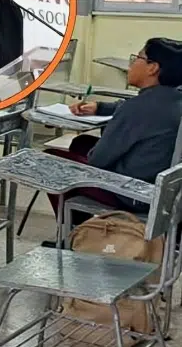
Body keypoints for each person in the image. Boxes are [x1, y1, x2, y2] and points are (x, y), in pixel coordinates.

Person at [48, 38, 182, 217]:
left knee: (52, 161)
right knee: (81, 142)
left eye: (137, 58)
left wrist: (107, 142)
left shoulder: (137, 108)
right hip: (163, 186)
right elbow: (126, 107)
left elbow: (98, 161)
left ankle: (76, 232)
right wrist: (100, 107)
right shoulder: (173, 98)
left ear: (153, 68)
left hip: (134, 193)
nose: (131, 64)